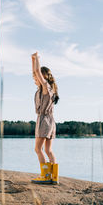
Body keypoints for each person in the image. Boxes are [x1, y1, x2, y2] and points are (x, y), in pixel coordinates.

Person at [31, 52, 60, 184]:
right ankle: (54, 177)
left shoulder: (45, 88)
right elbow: (35, 70)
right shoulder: (49, 89)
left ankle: (45, 176)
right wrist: (33, 60)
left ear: (43, 78)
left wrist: (37, 59)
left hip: (44, 120)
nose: (34, 78)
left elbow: (37, 70)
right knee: (48, 150)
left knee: (38, 149)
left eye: (36, 77)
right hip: (51, 121)